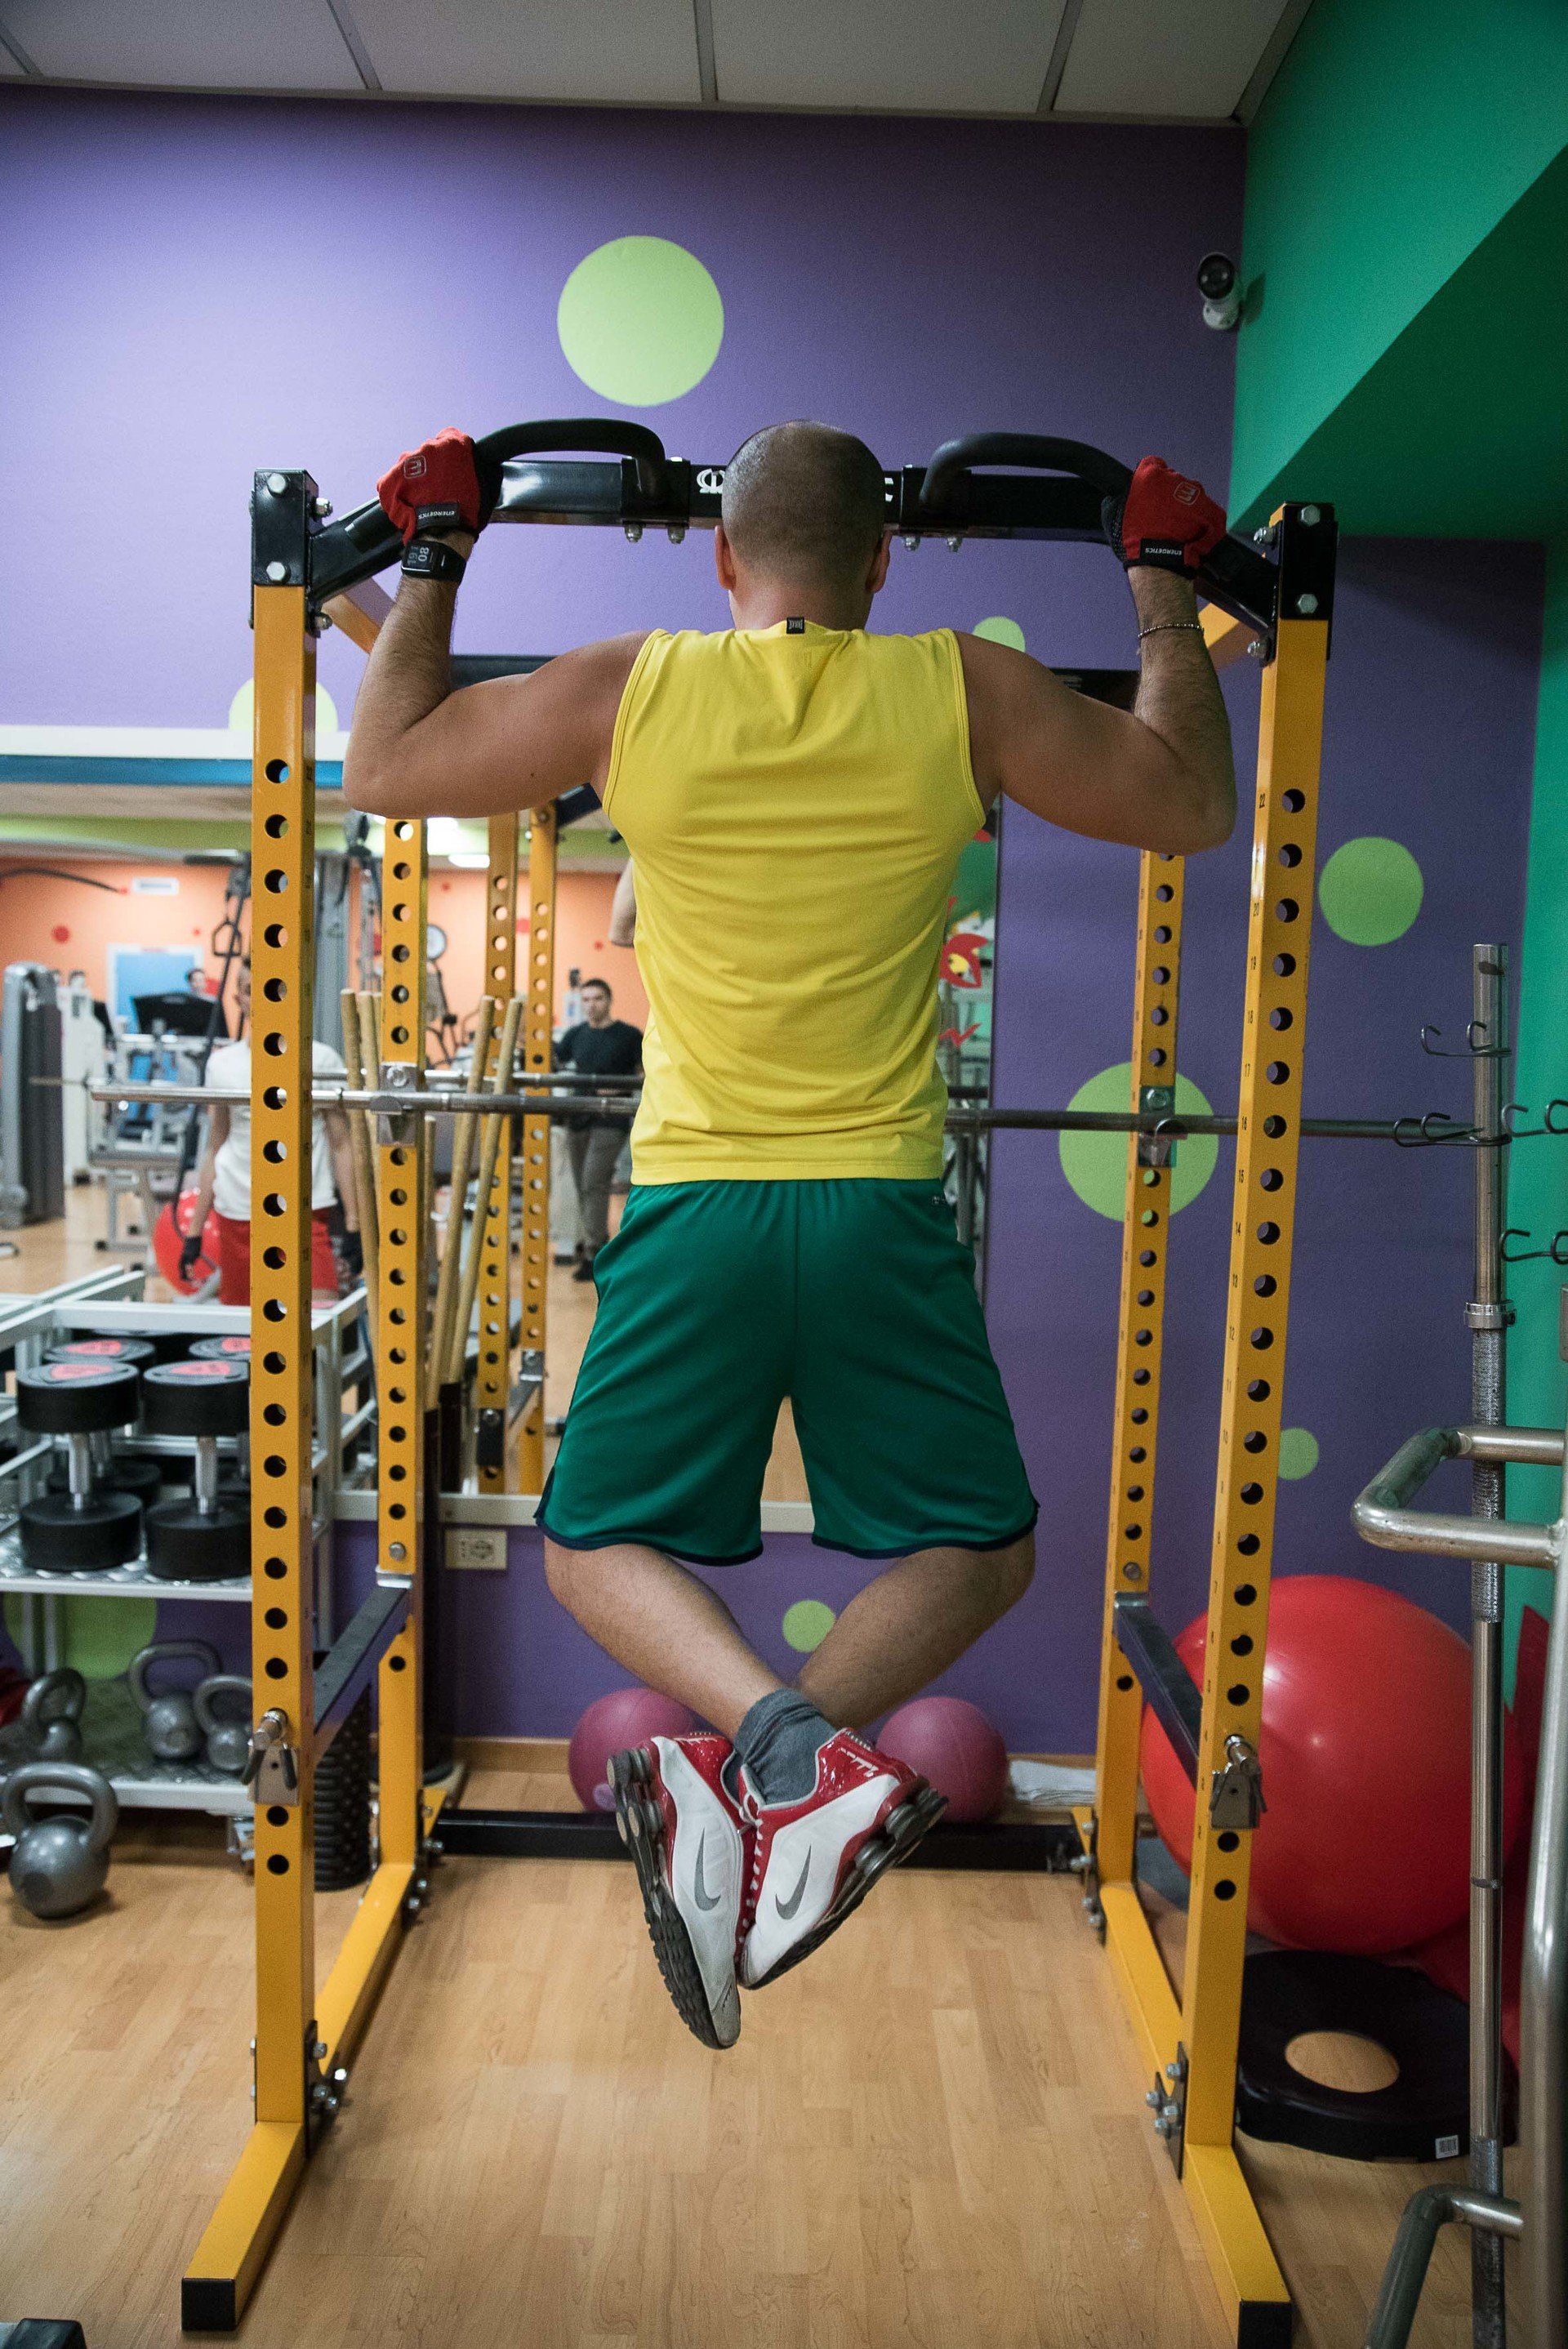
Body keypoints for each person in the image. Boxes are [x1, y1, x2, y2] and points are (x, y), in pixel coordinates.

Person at [347, 420, 1235, 2049]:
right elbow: (1188, 803)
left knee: (586, 1540)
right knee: (986, 1547)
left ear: (725, 559)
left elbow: (389, 765)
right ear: (884, 564)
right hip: (881, 1202)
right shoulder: (960, 687)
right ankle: (803, 1754)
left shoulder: (632, 685)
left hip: (696, 1199)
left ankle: (760, 1738)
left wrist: (430, 564)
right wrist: (1163, 588)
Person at [182, 955, 361, 1304]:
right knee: (242, 1336)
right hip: (238, 1211)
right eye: (251, 990)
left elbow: (342, 1145)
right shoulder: (222, 1065)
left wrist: (353, 1221)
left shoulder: (321, 1060)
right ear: (238, 999)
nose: (263, 998)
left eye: (272, 989)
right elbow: (215, 1146)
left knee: (319, 1325)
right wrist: (193, 1231)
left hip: (304, 1211)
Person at [555, 976, 643, 1279]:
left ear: (609, 1000)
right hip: (578, 1117)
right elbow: (554, 1059)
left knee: (594, 1181)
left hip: (611, 1120)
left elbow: (645, 1075)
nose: (592, 1006)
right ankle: (594, 1244)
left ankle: (596, 1254)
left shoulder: (629, 1036)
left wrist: (618, 1094)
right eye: (587, 1000)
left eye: (598, 999)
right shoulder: (575, 1035)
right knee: (582, 1185)